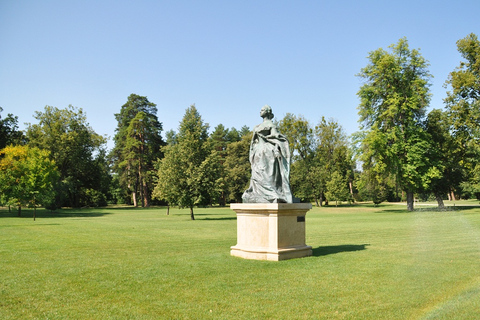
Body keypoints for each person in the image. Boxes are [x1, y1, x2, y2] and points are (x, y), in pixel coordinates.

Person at [242, 105, 293, 203]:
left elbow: (276, 138)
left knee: (268, 175)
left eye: (262, 110)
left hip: (267, 152)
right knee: (257, 174)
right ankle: (258, 194)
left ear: (268, 112)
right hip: (258, 153)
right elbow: (254, 142)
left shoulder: (271, 125)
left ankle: (272, 194)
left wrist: (277, 149)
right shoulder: (257, 126)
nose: (260, 111)